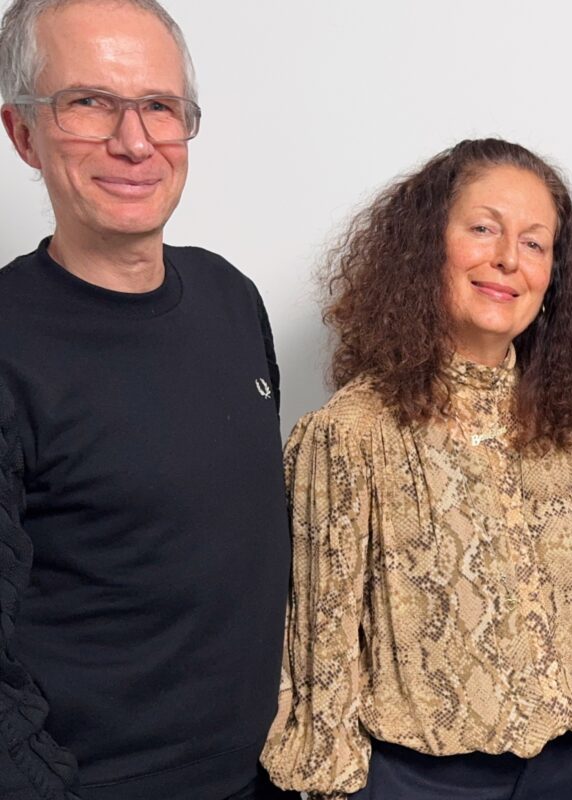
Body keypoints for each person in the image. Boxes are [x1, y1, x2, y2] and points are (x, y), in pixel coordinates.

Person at [261, 138, 572, 800]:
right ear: (426, 247)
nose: (507, 259)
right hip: (421, 782)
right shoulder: (352, 434)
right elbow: (319, 651)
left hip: (563, 771)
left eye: (535, 243)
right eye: (484, 228)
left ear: (554, 278)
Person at [0, 1, 293, 798]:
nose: (134, 142)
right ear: (21, 131)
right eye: (88, 103)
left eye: (159, 107)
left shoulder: (232, 298)